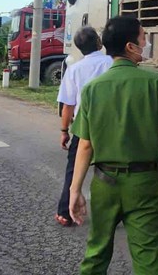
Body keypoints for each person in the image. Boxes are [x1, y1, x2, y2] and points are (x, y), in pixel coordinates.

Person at [69, 16, 158, 274]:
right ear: (130, 46)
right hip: (144, 184)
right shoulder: (155, 84)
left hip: (104, 184)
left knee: (96, 254)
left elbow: (85, 146)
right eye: (143, 37)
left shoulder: (92, 89)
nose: (145, 43)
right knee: (148, 261)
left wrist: (74, 189)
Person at [55, 27, 113, 227]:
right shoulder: (112, 63)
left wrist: (64, 131)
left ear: (79, 48)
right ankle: (112, 213)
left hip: (83, 127)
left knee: (73, 170)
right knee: (110, 171)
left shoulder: (74, 70)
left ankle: (65, 212)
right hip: (110, 127)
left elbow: (68, 105)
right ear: (99, 42)